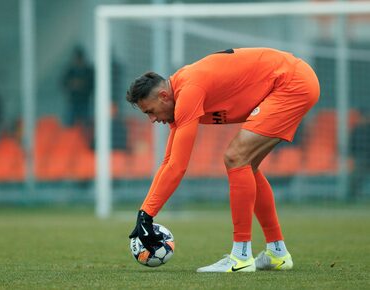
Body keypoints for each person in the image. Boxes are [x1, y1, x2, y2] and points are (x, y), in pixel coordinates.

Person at [126, 48, 320, 273]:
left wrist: (148, 215)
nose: (151, 120)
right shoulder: (178, 95)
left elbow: (178, 167)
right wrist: (144, 214)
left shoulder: (188, 90)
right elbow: (168, 161)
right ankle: (277, 253)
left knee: (235, 157)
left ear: (163, 96)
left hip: (292, 83)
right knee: (247, 165)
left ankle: (241, 257)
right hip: (292, 80)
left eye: (150, 111)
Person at [62, 46, 95, 127]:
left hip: (85, 102)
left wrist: (81, 84)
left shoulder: (88, 71)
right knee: (69, 125)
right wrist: (72, 84)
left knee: (87, 126)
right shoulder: (71, 70)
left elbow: (92, 85)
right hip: (73, 102)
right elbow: (63, 83)